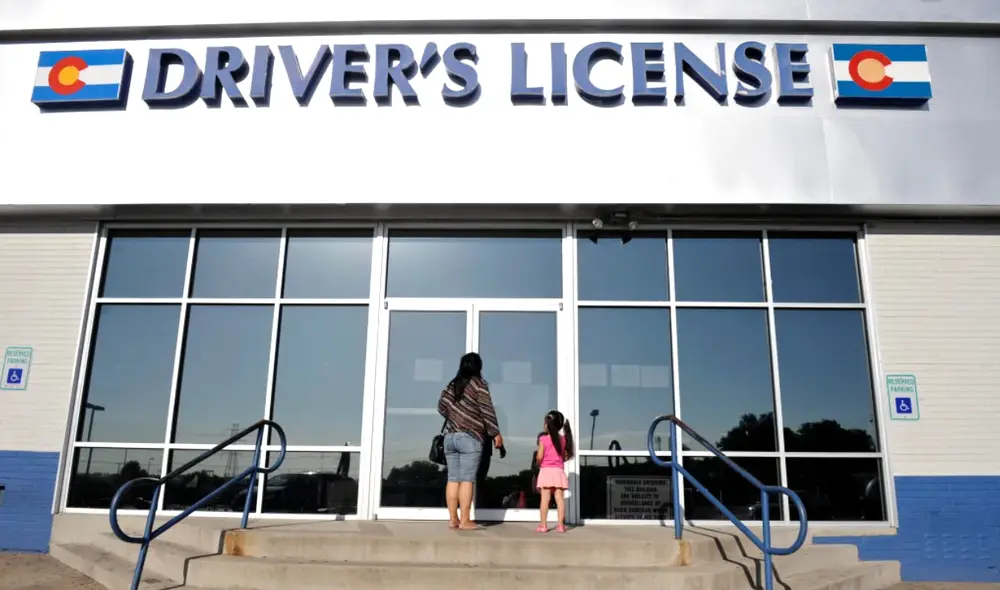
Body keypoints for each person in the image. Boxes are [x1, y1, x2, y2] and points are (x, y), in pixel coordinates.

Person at [437, 352, 503, 530]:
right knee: (467, 479)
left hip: (450, 437)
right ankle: (465, 520)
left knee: (452, 478)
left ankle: (453, 520)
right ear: (478, 366)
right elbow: (486, 409)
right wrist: (495, 433)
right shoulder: (479, 384)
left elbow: (441, 406)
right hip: (471, 436)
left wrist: (455, 416)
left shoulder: (452, 385)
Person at [535, 410, 574, 533]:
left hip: (546, 471)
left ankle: (543, 525)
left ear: (547, 424)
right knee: (560, 499)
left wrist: (538, 462)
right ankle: (560, 525)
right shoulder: (563, 440)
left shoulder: (543, 439)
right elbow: (565, 456)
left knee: (545, 499)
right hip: (558, 472)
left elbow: (540, 456)